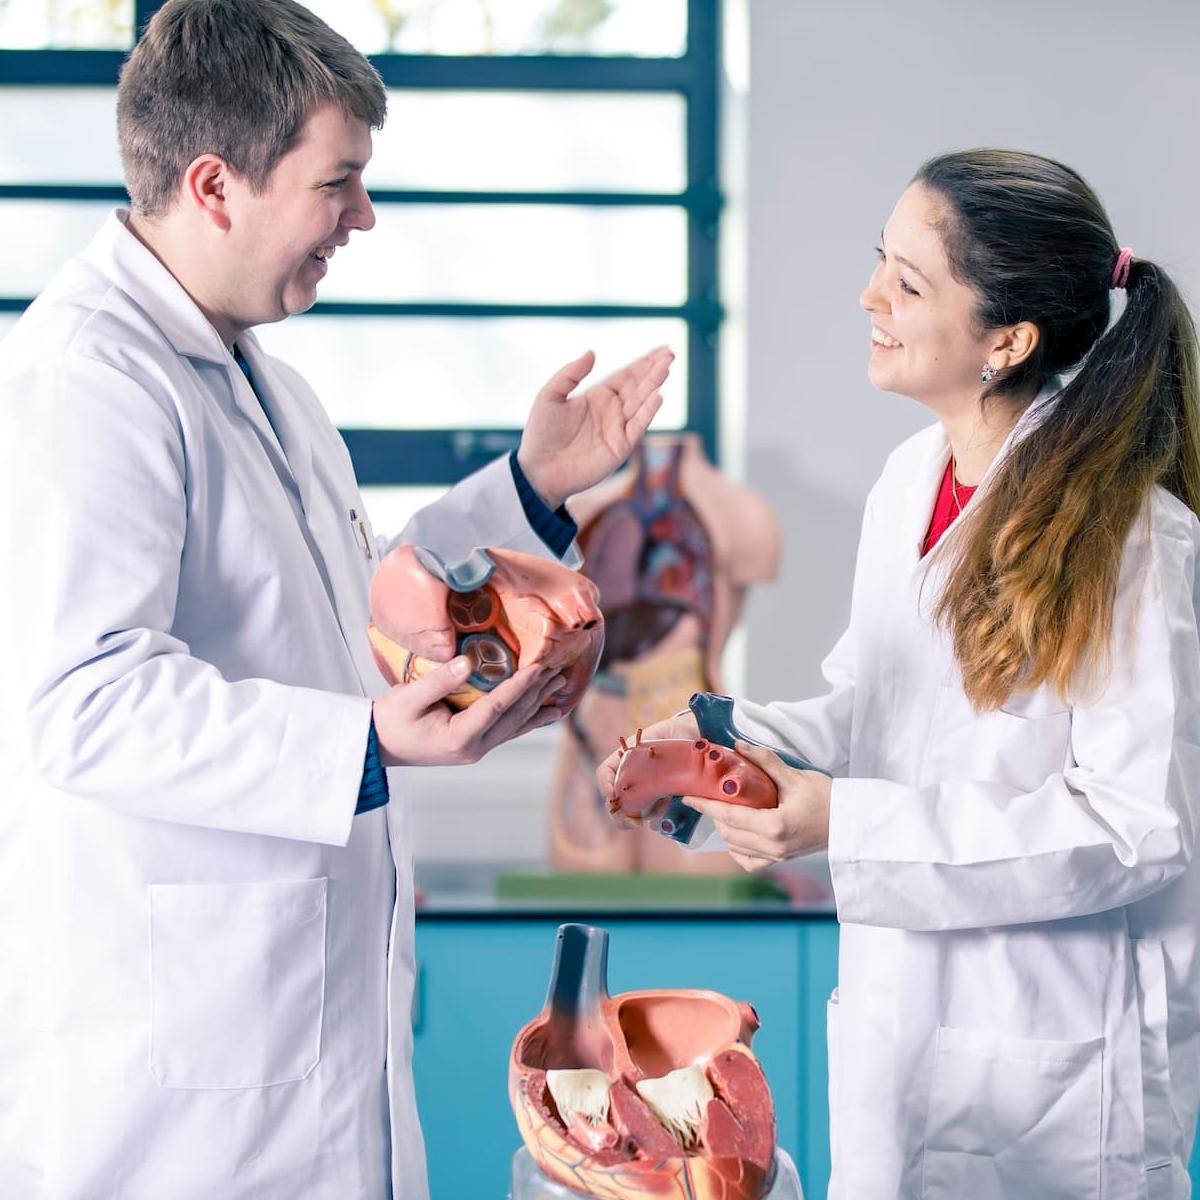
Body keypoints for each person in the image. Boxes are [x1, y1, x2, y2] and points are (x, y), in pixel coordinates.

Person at [0, 1, 671, 1197]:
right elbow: (82, 700)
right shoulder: (89, 378)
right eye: (339, 183)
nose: (362, 218)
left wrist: (530, 489)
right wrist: (360, 739)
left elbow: (332, 612)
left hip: (293, 1035)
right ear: (215, 185)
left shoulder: (265, 383)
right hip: (183, 1088)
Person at [600, 149, 1200, 1197]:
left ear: (1006, 340)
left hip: (1052, 1077)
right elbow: (877, 716)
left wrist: (844, 822)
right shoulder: (909, 480)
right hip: (897, 1043)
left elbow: (1135, 828)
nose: (869, 296)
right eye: (881, 262)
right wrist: (723, 748)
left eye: (909, 282)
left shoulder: (1135, 542)